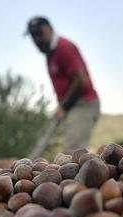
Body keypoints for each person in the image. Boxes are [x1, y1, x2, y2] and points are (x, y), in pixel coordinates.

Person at [26, 16, 100, 153]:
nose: (36, 39)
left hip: (83, 104)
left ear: (50, 29)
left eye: (39, 33)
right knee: (69, 150)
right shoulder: (50, 55)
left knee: (73, 152)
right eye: (33, 35)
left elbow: (80, 81)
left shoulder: (64, 47)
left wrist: (64, 107)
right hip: (71, 106)